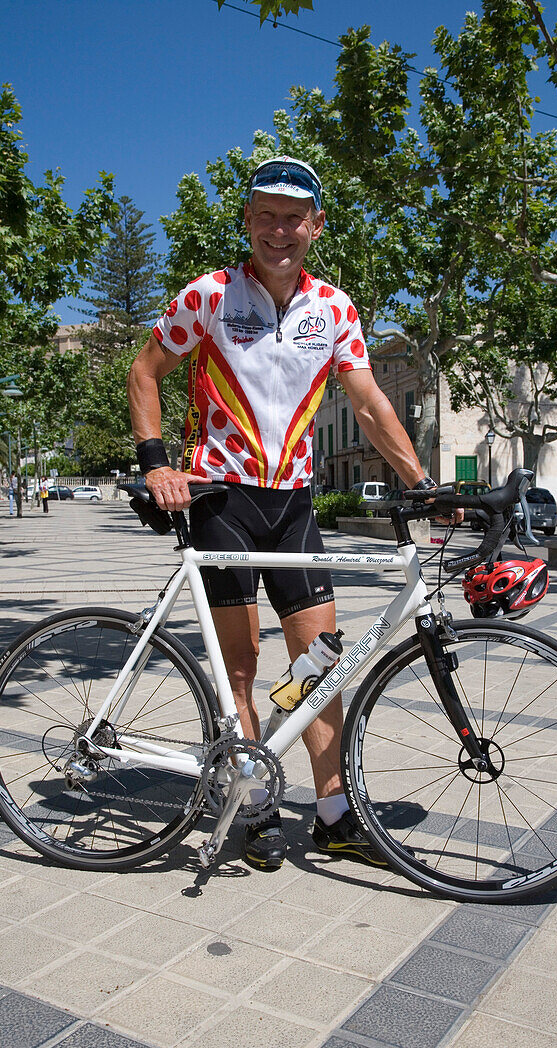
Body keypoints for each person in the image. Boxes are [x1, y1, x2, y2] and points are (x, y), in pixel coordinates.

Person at [127, 155, 443, 872]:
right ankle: (256, 803)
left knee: (319, 667)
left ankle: (332, 814)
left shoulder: (335, 308)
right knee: (241, 669)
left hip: (293, 505)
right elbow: (144, 371)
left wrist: (420, 481)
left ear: (315, 226)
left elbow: (366, 402)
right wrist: (156, 463)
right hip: (220, 499)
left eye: (292, 216)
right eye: (264, 214)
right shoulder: (208, 296)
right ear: (246, 222)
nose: (278, 229)